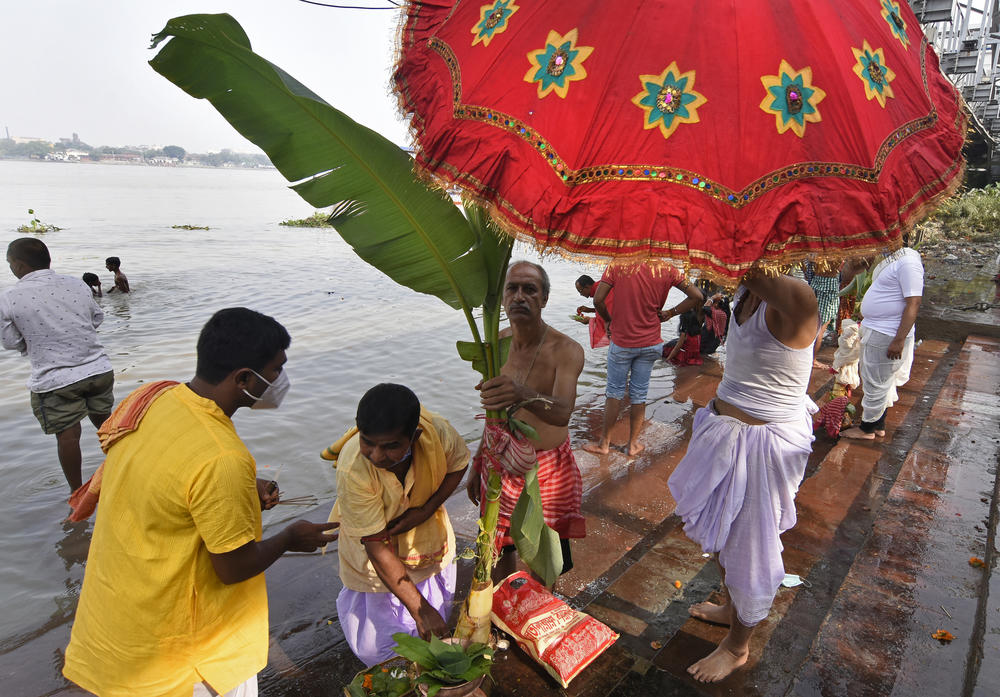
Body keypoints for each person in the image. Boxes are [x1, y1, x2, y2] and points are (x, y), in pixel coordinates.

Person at [63, 307, 338, 697]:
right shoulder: (221, 457)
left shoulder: (155, 398)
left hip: (118, 619)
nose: (279, 380)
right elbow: (233, 566)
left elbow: (163, 479)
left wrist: (242, 487)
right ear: (244, 378)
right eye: (276, 370)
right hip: (183, 651)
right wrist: (290, 537)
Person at [667, 271, 818, 683]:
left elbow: (738, 260)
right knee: (723, 534)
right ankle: (732, 610)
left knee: (750, 548)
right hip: (726, 432)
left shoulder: (796, 296)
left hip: (765, 447)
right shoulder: (745, 291)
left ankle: (737, 647)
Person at [326, 383, 470, 666]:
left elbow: (459, 464)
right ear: (358, 430)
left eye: (391, 446)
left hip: (427, 542)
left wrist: (427, 509)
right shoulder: (353, 468)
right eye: (368, 442)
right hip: (375, 556)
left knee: (432, 627)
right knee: (383, 648)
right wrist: (420, 610)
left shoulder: (438, 432)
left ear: (414, 436)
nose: (377, 456)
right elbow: (376, 547)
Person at [467, 260, 586, 582]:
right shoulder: (496, 346)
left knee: (546, 560)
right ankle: (503, 615)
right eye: (512, 289)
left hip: (548, 470)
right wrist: (478, 460)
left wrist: (521, 392)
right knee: (498, 550)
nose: (520, 297)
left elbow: (563, 412)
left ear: (544, 298)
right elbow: (494, 413)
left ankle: (540, 617)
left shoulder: (566, 350)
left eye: (530, 289)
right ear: (503, 298)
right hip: (499, 464)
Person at [2, 238, 115, 492]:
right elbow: (96, 318)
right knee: (107, 425)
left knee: (68, 437)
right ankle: (130, 469)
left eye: (9, 263)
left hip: (55, 380)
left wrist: (38, 341)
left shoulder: (10, 297)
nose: (10, 268)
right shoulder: (76, 284)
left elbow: (10, 342)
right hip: (98, 370)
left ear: (19, 266)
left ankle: (77, 495)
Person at [583, 262, 703, 456]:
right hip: (651, 343)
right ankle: (632, 445)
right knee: (639, 394)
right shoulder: (667, 268)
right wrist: (671, 313)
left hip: (622, 342)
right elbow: (697, 296)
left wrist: (607, 320)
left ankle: (604, 444)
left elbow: (598, 300)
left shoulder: (618, 265)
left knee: (614, 393)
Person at [840, 247, 923, 440]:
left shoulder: (908, 261)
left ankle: (867, 429)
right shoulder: (893, 258)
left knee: (876, 383)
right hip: (878, 329)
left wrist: (899, 340)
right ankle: (877, 425)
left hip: (887, 333)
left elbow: (914, 302)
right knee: (877, 381)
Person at [809, 266, 840, 368]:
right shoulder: (835, 253)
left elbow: (808, 269)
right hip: (829, 287)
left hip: (815, 284)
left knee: (813, 326)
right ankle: (813, 360)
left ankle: (809, 357)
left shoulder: (816, 253)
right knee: (820, 329)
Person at [574, 273, 611, 349]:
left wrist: (589, 320)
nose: (581, 294)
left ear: (587, 287)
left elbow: (608, 318)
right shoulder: (602, 286)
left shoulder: (600, 294)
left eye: (580, 291)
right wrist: (590, 310)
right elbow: (608, 308)